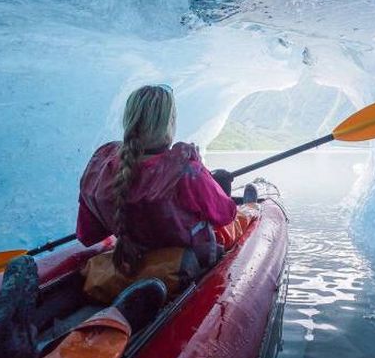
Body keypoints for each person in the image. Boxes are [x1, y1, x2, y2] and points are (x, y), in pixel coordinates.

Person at [75, 84, 256, 302]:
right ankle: (252, 208)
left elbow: (87, 236)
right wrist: (210, 179)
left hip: (132, 258)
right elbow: (226, 214)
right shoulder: (187, 171)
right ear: (169, 123)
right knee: (234, 222)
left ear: (129, 119)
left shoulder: (101, 165)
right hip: (182, 264)